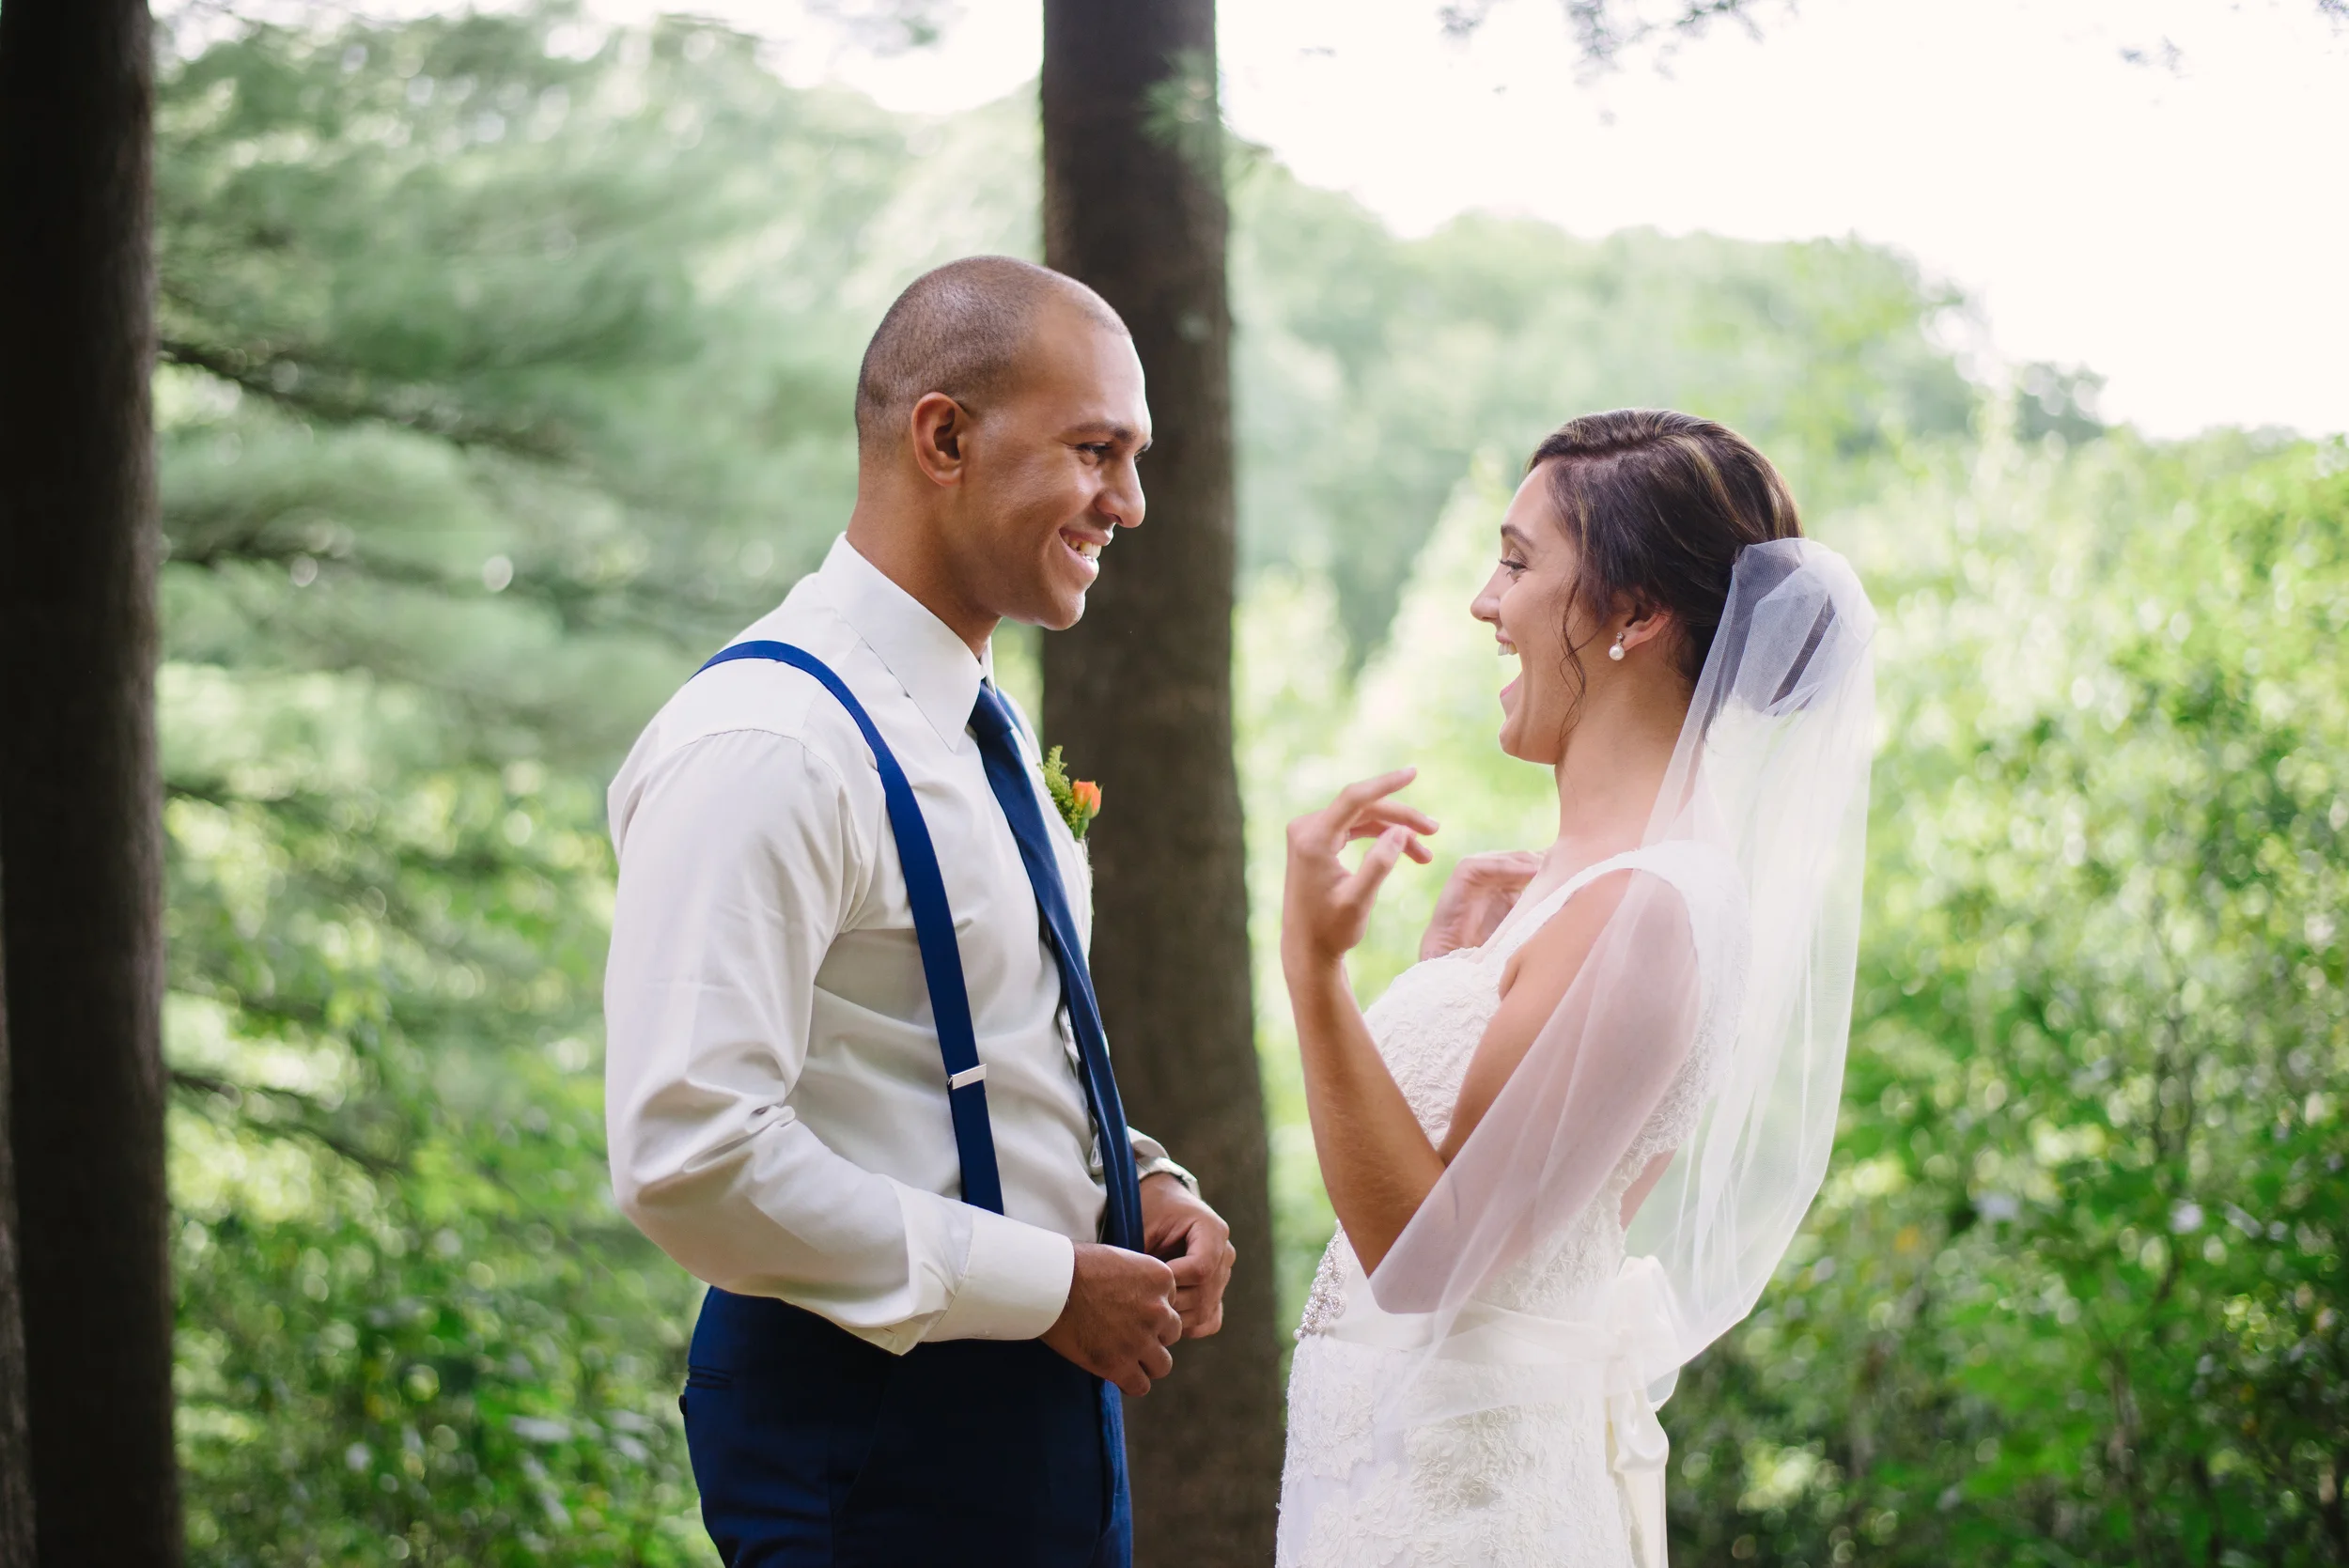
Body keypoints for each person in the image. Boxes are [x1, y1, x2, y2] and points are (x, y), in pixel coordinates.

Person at [602, 256, 1237, 1568]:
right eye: (1094, 450)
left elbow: (984, 1043)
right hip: (870, 1433)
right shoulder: (767, 745)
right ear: (943, 436)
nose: (1127, 501)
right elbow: (689, 1154)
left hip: (1046, 1417)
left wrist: (1140, 1174)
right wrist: (1050, 1282)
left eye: (1136, 457)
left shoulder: (981, 724)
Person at [1275, 410, 1877, 1566]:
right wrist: (1442, 980)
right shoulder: (1581, 893)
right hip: (1396, 1480)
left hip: (1459, 1520)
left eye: (1514, 561)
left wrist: (1314, 975)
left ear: (1635, 615)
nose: (1481, 604)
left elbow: (1427, 1263)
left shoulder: (1643, 912)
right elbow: (1522, 1203)